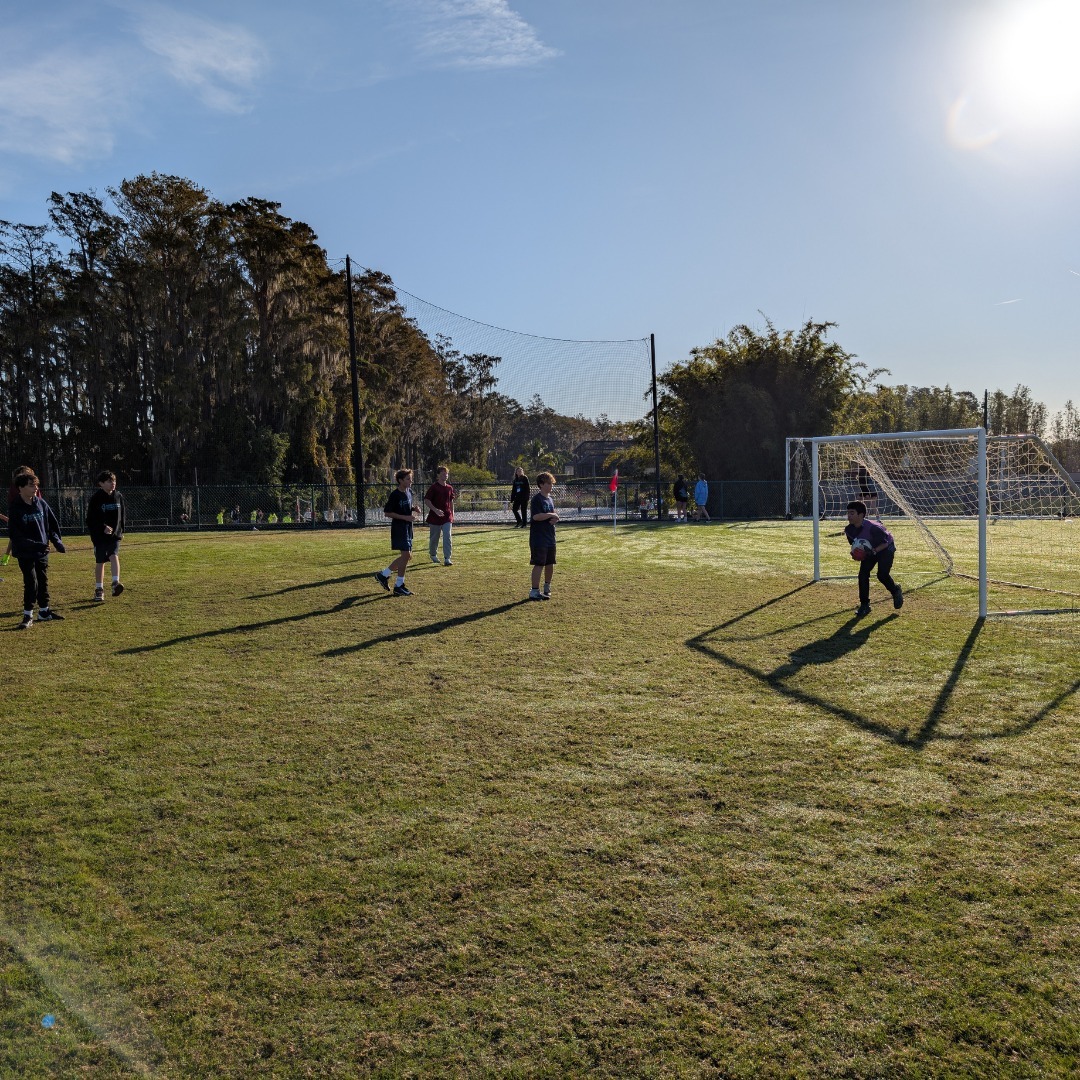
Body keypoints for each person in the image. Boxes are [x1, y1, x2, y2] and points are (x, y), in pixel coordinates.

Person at [8, 469, 65, 629]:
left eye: (36, 485)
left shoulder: (41, 503)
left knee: (43, 580)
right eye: (31, 485)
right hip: (25, 552)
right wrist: (36, 544)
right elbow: (16, 535)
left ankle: (44, 612)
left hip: (41, 551)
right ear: (20, 488)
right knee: (31, 582)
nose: (35, 489)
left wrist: (56, 541)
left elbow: (51, 525)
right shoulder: (15, 508)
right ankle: (28, 615)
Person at [844, 500, 903, 617]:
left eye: (852, 513)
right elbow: (855, 545)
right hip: (870, 550)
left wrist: (872, 552)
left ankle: (895, 590)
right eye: (848, 513)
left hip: (885, 548)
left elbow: (885, 544)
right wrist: (855, 554)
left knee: (882, 575)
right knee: (863, 574)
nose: (848, 516)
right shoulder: (849, 530)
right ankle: (864, 605)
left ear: (861, 515)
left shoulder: (874, 528)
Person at [374, 469, 420, 596]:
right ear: (400, 480)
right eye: (408, 479)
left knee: (407, 557)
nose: (411, 481)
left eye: (411, 478)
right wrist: (405, 517)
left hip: (408, 528)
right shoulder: (395, 495)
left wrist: (414, 509)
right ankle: (384, 575)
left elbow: (405, 507)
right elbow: (387, 512)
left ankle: (398, 584)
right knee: (405, 556)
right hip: (399, 528)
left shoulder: (409, 492)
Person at [86, 469, 126, 602]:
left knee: (114, 555)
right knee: (101, 561)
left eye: (114, 481)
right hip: (99, 536)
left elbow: (122, 515)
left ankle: (115, 583)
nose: (112, 483)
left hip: (114, 535)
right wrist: (102, 527)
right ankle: (99, 589)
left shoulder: (118, 496)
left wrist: (121, 531)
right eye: (109, 481)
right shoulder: (96, 498)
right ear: (101, 484)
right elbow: (90, 519)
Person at [528, 471, 560, 600]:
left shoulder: (550, 499)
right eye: (548, 483)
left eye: (551, 483)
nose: (550, 486)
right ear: (541, 484)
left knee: (550, 563)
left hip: (550, 536)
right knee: (539, 563)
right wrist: (552, 515)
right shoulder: (537, 499)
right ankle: (534, 591)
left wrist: (554, 519)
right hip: (539, 537)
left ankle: (547, 586)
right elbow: (536, 516)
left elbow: (550, 516)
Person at [424, 465, 456, 566]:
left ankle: (447, 558)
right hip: (435, 517)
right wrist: (435, 510)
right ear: (438, 475)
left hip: (447, 517)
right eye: (443, 473)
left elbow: (451, 502)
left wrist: (452, 514)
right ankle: (433, 555)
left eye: (446, 473)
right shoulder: (434, 487)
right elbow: (427, 500)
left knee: (447, 536)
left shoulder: (450, 488)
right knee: (434, 538)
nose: (445, 475)